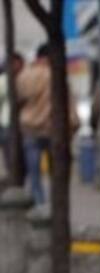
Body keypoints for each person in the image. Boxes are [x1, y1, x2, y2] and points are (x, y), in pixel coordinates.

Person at [16, 44, 78, 207]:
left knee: (34, 172)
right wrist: (74, 125)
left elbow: (18, 101)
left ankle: (40, 203)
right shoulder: (57, 75)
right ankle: (55, 205)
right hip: (53, 128)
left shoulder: (24, 76)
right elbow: (69, 103)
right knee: (56, 172)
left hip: (30, 128)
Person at [0, 54, 23, 185]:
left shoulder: (22, 78)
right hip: (8, 123)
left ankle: (15, 181)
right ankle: (14, 182)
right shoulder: (4, 81)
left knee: (13, 157)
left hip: (16, 123)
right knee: (11, 157)